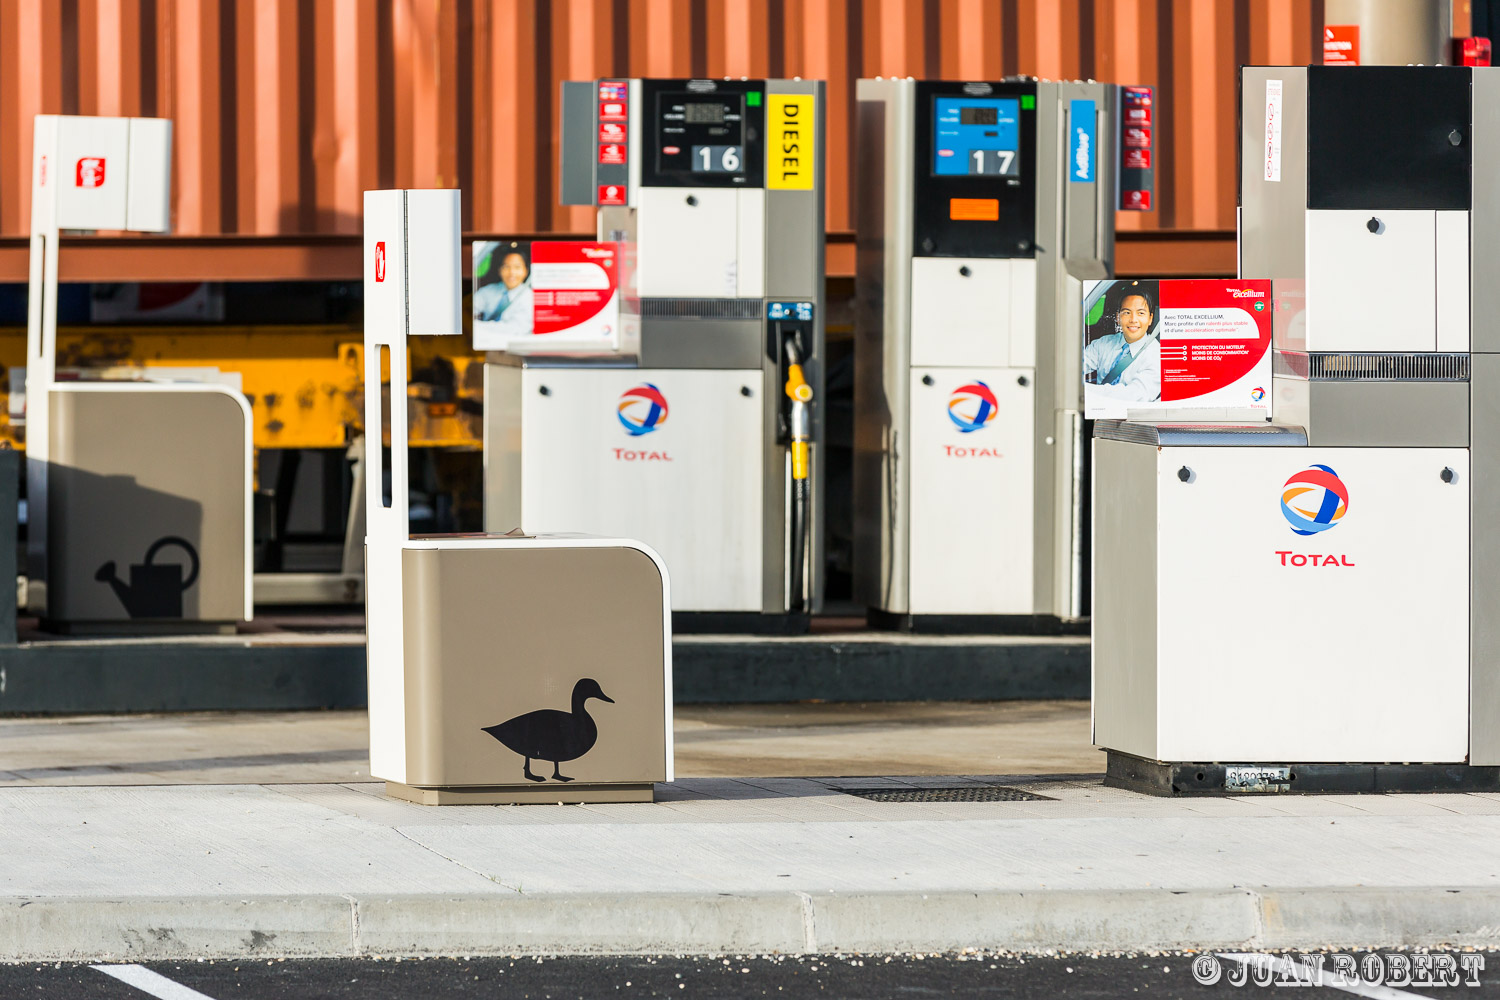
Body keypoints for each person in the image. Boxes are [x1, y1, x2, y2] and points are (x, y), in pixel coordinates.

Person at [1083, 282, 1160, 402]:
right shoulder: (1103, 344)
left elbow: (1135, 396)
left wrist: (1085, 391)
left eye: (1140, 313)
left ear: (1150, 319)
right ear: (1118, 318)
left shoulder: (1157, 355)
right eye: (1127, 313)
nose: (1133, 320)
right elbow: (1075, 367)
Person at [473, 247, 533, 335]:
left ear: (526, 271)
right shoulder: (489, 290)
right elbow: (469, 308)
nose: (512, 272)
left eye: (517, 267)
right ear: (500, 270)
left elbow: (515, 329)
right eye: (506, 267)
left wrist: (477, 326)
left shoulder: (530, 298)